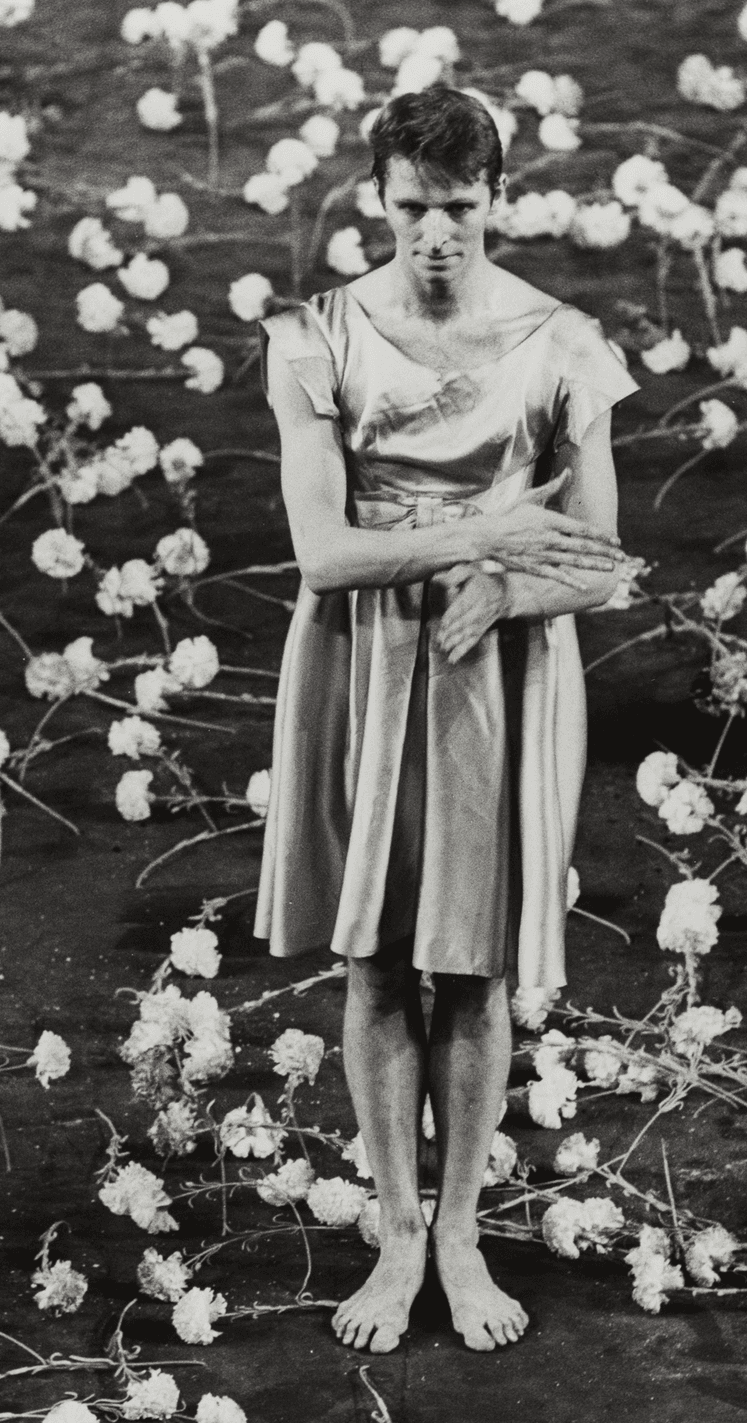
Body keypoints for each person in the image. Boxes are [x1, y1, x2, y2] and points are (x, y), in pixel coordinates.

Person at [252, 85, 639, 1354]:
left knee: (471, 967)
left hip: (499, 668)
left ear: (497, 199)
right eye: (413, 207)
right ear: (377, 197)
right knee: (374, 958)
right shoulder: (316, 337)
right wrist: (486, 536)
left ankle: (460, 1230)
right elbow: (323, 555)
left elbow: (600, 563)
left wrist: (509, 583)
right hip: (363, 662)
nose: (434, 234)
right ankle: (396, 1233)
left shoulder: (561, 343)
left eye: (459, 208)